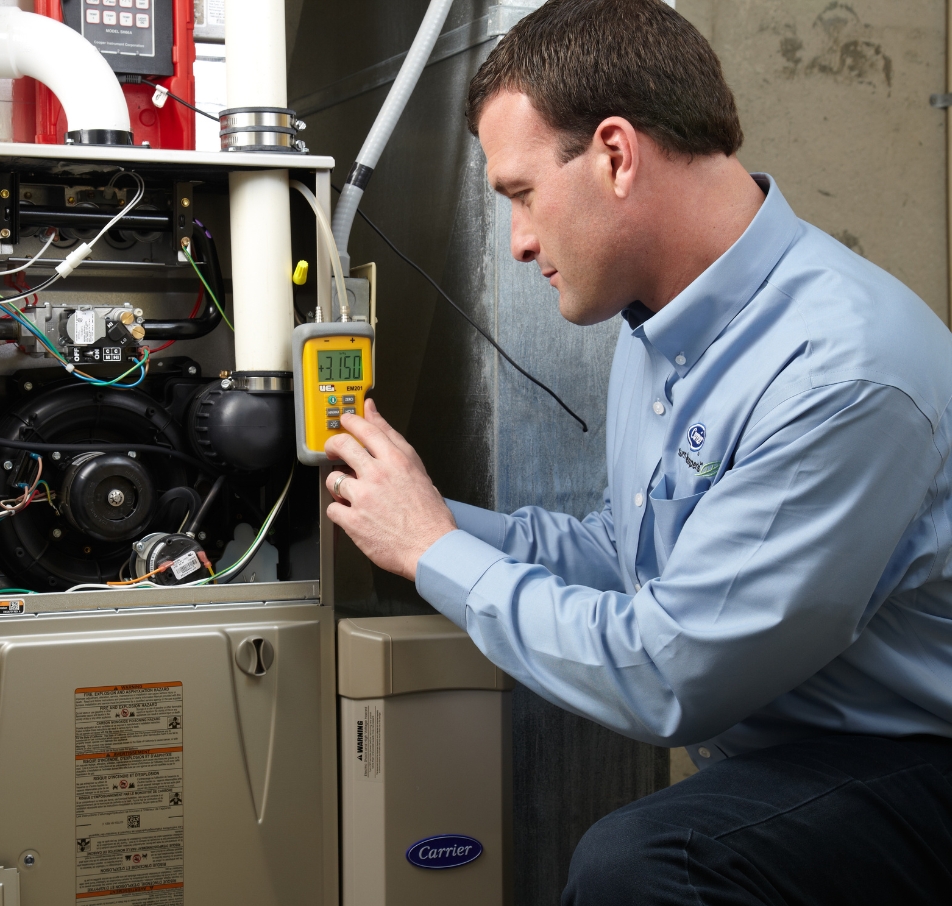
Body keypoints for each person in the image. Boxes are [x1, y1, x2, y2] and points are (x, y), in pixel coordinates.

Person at [322, 0, 952, 902]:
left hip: (916, 763)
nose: (520, 240)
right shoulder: (660, 331)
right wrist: (400, 513)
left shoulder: (842, 373)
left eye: (522, 194)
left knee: (647, 863)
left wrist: (433, 552)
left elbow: (671, 673)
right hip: (800, 753)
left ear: (616, 155)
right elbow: (627, 556)